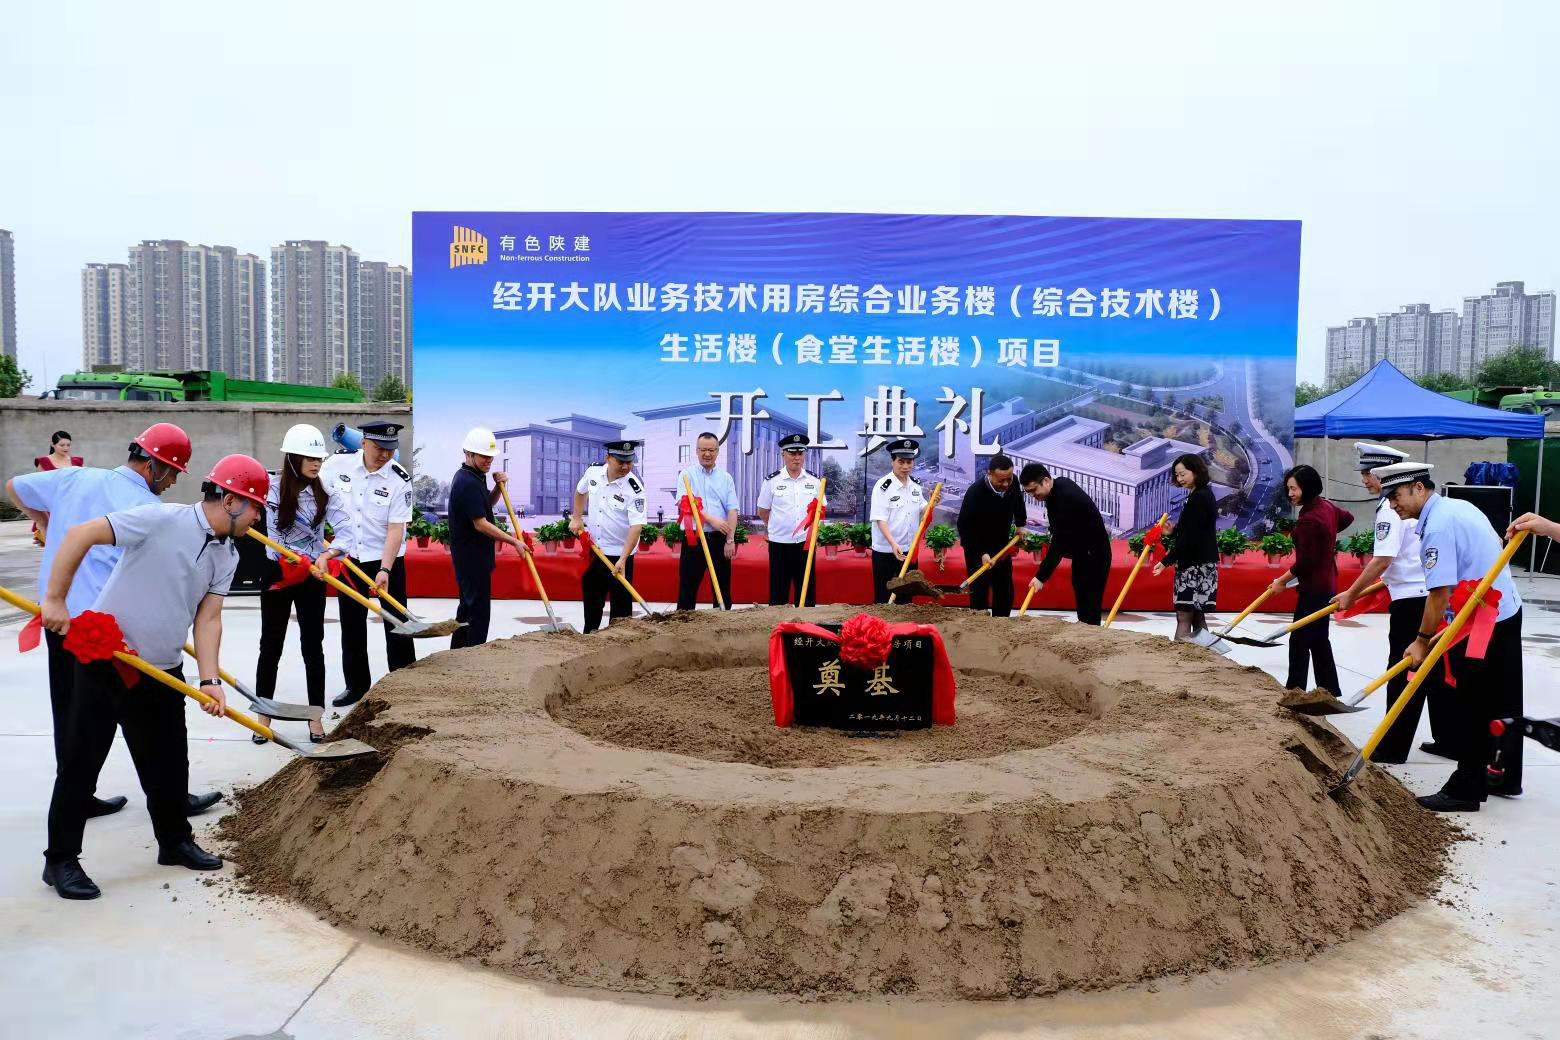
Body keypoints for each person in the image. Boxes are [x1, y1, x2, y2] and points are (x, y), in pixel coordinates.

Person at [38, 454, 268, 899]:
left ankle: (174, 841)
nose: (258, 517)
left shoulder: (227, 554)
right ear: (231, 500)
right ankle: (60, 860)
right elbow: (80, 533)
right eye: (256, 507)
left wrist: (209, 681)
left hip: (162, 669)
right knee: (82, 761)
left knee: (169, 761)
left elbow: (208, 619)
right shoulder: (160, 519)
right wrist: (55, 599)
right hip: (108, 661)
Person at [6, 422, 219, 819]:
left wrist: (45, 523)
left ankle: (79, 796)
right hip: (107, 636)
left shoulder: (75, 477)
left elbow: (14, 486)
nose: (173, 481)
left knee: (71, 716)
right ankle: (171, 799)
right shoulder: (149, 509)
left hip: (58, 619)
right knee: (150, 719)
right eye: (172, 472)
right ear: (152, 466)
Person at [1374, 462, 1524, 812]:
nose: (1393, 505)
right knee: (1503, 700)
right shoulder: (1458, 506)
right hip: (1505, 610)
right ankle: (1504, 776)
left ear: (1419, 488)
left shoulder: (1438, 527)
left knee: (1472, 703)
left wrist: (1421, 640)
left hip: (1484, 621)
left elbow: (1439, 594)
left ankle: (1466, 789)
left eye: (1396, 496)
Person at [1333, 443, 1437, 763]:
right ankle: (1450, 739)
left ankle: (1393, 746)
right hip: (1426, 593)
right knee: (1434, 671)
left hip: (1412, 601)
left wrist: (1351, 594)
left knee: (1402, 671)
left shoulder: (1390, 509)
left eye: (1369, 473)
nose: (1365, 479)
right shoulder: (1413, 506)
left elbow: (1382, 559)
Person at [252, 424, 354, 743]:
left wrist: (328, 555)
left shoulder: (327, 492)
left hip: (311, 575)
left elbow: (348, 532)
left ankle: (315, 717)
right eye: (309, 458)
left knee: (313, 646)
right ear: (293, 458)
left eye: (319, 458)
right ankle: (263, 715)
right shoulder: (270, 488)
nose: (316, 464)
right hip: (277, 574)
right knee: (271, 645)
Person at [329, 419, 416, 709]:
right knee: (351, 625)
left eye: (391, 449)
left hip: (387, 560)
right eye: (380, 448)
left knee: (397, 623)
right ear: (363, 443)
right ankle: (356, 686)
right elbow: (316, 493)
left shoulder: (399, 479)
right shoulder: (337, 465)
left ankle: (403, 684)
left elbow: (396, 529)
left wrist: (385, 569)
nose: (385, 455)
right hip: (350, 559)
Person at [1267, 465, 1353, 698]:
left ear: (1307, 487)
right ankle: (1329, 689)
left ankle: (1295, 691)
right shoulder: (1325, 506)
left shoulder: (1309, 519)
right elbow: (1347, 517)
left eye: (1294, 489)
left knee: (1299, 640)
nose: (1290, 494)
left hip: (1314, 588)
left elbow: (1305, 563)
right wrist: (1327, 540)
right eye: (1288, 489)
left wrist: (1281, 581)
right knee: (1319, 639)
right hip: (1328, 583)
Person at [447, 426, 531, 648]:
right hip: (471, 558)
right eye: (484, 456)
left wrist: (498, 487)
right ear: (468, 453)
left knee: (467, 609)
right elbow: (480, 523)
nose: (489, 460)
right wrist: (514, 541)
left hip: (474, 556)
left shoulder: (475, 476)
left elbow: (486, 505)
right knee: (478, 613)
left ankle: (457, 655)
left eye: (491, 456)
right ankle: (475, 655)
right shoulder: (466, 482)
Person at [1021, 463, 1111, 624]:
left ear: (1046, 481)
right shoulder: (1057, 489)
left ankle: (1090, 634)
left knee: (1089, 603)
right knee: (1082, 598)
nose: (1033, 495)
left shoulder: (1065, 498)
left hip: (1095, 555)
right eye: (1028, 492)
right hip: (1083, 553)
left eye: (1034, 490)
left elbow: (1059, 543)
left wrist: (1041, 577)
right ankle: (1085, 630)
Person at [572, 440, 647, 632]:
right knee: (591, 593)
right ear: (608, 458)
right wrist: (577, 517)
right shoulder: (593, 472)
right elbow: (580, 492)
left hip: (621, 556)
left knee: (621, 610)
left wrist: (623, 559)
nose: (625, 467)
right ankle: (590, 635)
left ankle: (619, 641)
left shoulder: (635, 489)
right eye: (621, 461)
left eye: (629, 462)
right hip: (597, 551)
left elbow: (636, 527)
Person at [1152, 454, 1222, 647]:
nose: (1179, 478)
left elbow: (1190, 539)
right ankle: (1207, 658)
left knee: (1184, 614)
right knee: (1197, 614)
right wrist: (1173, 532)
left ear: (1196, 471)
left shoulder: (1198, 498)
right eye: (1177, 475)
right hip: (1202, 564)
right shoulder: (1203, 494)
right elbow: (1194, 532)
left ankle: (1179, 659)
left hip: (1194, 567)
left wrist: (1165, 561)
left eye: (1183, 474)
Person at [757, 433, 824, 606]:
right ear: (783, 454)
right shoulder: (771, 481)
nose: (797, 458)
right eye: (792, 453)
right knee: (778, 593)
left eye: (800, 453)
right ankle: (779, 623)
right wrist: (777, 527)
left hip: (805, 544)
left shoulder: (814, 481)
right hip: (779, 544)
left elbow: (820, 511)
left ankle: (805, 623)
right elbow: (763, 511)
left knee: (806, 594)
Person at [956, 453, 1026, 616]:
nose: (1006, 484)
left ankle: (1001, 623)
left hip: (1001, 543)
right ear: (989, 474)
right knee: (979, 589)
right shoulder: (975, 493)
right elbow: (964, 527)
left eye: (1008, 479)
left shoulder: (1013, 482)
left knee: (1004, 589)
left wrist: (1020, 524)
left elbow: (1018, 500)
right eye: (1001, 480)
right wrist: (981, 553)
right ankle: (979, 624)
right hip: (977, 546)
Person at [676, 432, 739, 611]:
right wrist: (711, 519)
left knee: (722, 589)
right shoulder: (686, 475)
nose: (707, 454)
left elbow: (732, 509)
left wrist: (730, 540)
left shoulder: (726, 478)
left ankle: (722, 624)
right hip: (693, 540)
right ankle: (684, 624)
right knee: (687, 588)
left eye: (711, 450)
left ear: (717, 451)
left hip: (719, 540)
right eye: (703, 450)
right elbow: (685, 504)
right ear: (696, 451)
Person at [869, 439, 929, 603]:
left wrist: (933, 503)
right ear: (892, 462)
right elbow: (880, 519)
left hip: (908, 551)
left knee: (906, 598)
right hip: (886, 551)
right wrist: (893, 543)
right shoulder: (883, 486)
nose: (905, 466)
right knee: (884, 597)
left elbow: (923, 508)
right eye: (901, 462)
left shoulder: (915, 486)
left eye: (909, 462)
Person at [29, 431, 83, 543]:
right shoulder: (43, 462)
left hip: (72, 505)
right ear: (53, 445)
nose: (66, 448)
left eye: (68, 445)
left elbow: (80, 484)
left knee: (74, 541)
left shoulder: (76, 461)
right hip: (51, 506)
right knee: (53, 542)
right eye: (62, 445)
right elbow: (40, 488)